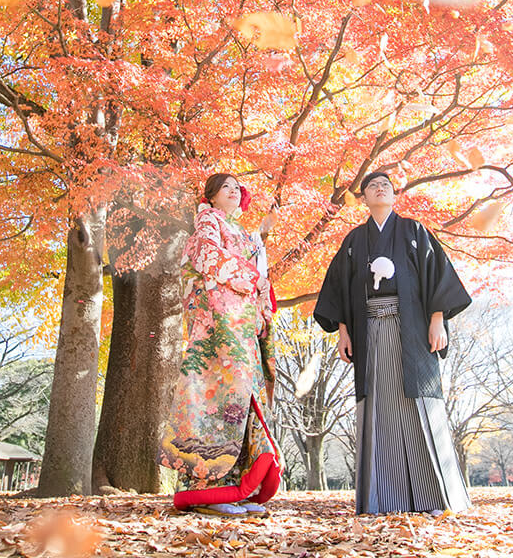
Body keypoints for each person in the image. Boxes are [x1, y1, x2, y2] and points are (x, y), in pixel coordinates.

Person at [314, 172, 473, 515]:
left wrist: (437, 319)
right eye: (372, 185)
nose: (380, 188)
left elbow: (437, 275)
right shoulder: (355, 240)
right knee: (378, 407)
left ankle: (434, 498)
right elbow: (340, 288)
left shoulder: (414, 231)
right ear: (365, 198)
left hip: (413, 330)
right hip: (369, 331)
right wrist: (343, 330)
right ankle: (381, 499)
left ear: (394, 195)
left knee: (419, 404)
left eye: (386, 184)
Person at [158, 173, 281, 517]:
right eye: (225, 186)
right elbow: (207, 259)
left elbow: (258, 266)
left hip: (240, 328)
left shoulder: (240, 232)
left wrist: (260, 301)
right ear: (211, 197)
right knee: (217, 400)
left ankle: (235, 488)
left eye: (237, 187)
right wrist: (253, 280)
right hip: (218, 327)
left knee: (240, 403)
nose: (233, 190)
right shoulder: (207, 225)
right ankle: (206, 492)